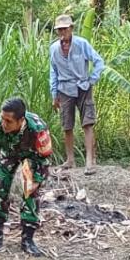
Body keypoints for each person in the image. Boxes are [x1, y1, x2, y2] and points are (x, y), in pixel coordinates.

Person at [0, 96, 53, 256]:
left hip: (31, 157)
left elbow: (44, 156)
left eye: (8, 121)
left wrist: (38, 180)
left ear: (21, 120)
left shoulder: (37, 128)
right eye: (2, 119)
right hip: (8, 154)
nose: (4, 124)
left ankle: (28, 240)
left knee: (30, 192)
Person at [49, 14, 103, 173]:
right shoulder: (53, 48)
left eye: (65, 28)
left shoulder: (81, 44)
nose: (62, 32)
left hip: (83, 86)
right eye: (60, 29)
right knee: (67, 124)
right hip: (64, 89)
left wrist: (91, 80)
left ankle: (89, 161)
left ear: (71, 28)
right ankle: (70, 160)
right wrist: (54, 93)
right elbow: (53, 71)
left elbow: (99, 61)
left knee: (87, 123)